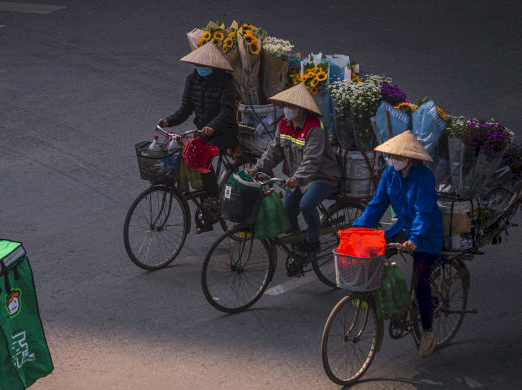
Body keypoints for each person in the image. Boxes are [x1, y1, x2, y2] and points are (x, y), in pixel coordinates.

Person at [351, 130, 444, 357]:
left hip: (425, 234)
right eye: (391, 156)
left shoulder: (424, 177)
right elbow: (376, 205)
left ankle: (428, 331)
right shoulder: (389, 174)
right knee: (375, 255)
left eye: (398, 156)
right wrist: (357, 229)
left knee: (421, 281)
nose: (393, 160)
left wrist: (415, 239)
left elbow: (424, 212)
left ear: (410, 158)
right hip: (402, 227)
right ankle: (392, 301)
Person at [248, 82, 341, 261]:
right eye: (285, 106)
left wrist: (297, 178)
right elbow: (273, 151)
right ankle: (297, 249)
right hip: (298, 178)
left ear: (301, 108)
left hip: (321, 177)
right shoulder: (283, 124)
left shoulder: (314, 127)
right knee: (287, 212)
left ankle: (313, 241)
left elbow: (312, 160)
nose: (287, 109)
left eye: (291, 106)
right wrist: (256, 169)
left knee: (306, 205)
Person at [157, 42, 238, 233]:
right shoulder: (191, 80)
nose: (201, 68)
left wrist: (212, 127)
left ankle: (212, 201)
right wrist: (167, 122)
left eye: (205, 65)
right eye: (198, 65)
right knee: (188, 154)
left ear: (213, 66)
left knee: (203, 157)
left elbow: (228, 112)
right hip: (203, 131)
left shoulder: (224, 83)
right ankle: (207, 207)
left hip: (224, 133)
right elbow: (185, 109)